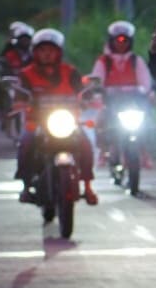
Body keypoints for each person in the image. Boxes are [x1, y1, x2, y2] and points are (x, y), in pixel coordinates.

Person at [14, 27, 98, 206]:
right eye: (42, 50)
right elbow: (19, 96)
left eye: (51, 50)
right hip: (37, 122)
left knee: (85, 143)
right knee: (25, 142)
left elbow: (84, 92)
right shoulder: (26, 74)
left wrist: (90, 99)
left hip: (68, 121)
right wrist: (20, 103)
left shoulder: (70, 72)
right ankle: (26, 186)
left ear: (58, 52)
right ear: (35, 52)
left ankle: (88, 187)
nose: (47, 54)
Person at [90, 20, 156, 173]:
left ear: (130, 42)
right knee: (100, 121)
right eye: (117, 41)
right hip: (111, 102)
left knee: (149, 122)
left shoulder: (136, 61)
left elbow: (145, 81)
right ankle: (103, 151)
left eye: (125, 41)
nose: (121, 44)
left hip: (133, 103)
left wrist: (149, 93)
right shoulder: (103, 61)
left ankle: (145, 152)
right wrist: (97, 94)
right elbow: (97, 80)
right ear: (111, 42)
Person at [0, 22, 33, 119]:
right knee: (1, 85)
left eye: (27, 39)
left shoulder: (34, 54)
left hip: (28, 80)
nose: (25, 42)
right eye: (23, 39)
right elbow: (1, 64)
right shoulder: (10, 53)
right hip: (12, 78)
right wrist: (5, 73)